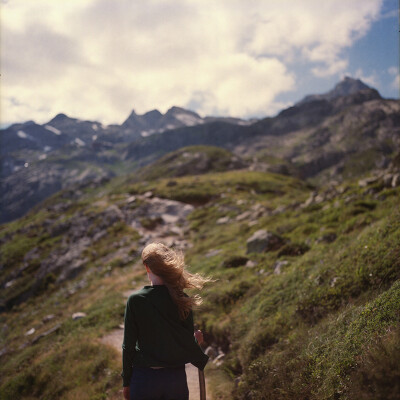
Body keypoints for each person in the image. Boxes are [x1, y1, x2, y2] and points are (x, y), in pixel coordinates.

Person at [122, 242, 211, 400]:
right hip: (175, 380)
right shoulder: (182, 299)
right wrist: (196, 342)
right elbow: (186, 344)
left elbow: (128, 346)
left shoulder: (136, 300)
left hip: (144, 379)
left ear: (147, 267)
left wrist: (126, 382)